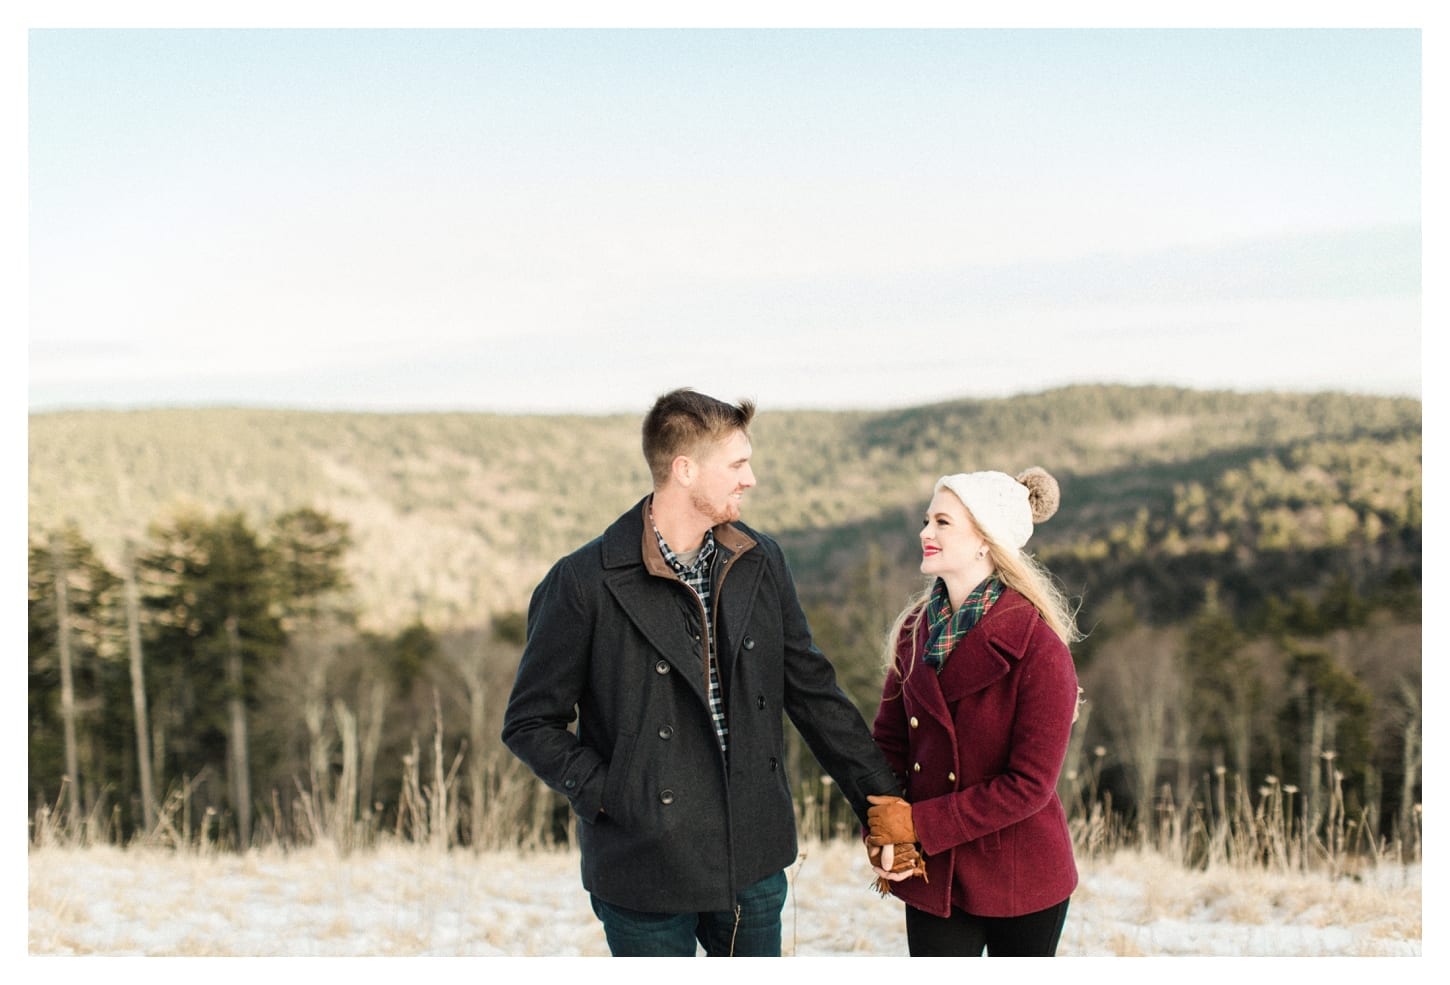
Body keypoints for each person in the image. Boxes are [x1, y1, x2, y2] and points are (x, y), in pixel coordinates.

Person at [501, 387, 902, 957]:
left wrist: (880, 799)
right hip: (644, 865)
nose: (751, 479)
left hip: (753, 861)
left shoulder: (760, 561)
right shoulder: (583, 580)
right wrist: (614, 794)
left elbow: (813, 692)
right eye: (738, 464)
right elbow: (529, 723)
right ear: (685, 470)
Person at [864, 467, 1082, 957]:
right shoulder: (914, 631)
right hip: (933, 876)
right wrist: (881, 832)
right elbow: (889, 747)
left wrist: (917, 826)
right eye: (927, 520)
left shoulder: (1039, 647)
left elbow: (1029, 785)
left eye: (942, 522)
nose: (925, 532)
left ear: (985, 540)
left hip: (1020, 877)